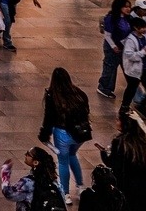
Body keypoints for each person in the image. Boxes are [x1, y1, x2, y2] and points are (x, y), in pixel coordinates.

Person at [39, 67, 90, 201]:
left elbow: (49, 118)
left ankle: (65, 193)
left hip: (63, 133)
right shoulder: (79, 93)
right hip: (80, 134)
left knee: (63, 162)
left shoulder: (53, 95)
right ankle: (80, 186)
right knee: (73, 155)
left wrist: (44, 134)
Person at [95, 109, 146, 211]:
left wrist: (103, 154)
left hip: (125, 188)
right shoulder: (144, 142)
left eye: (118, 120)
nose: (116, 122)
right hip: (144, 189)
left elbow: (114, 164)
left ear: (124, 123)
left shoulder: (120, 142)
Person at [0, 146, 64, 211]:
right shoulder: (54, 182)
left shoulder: (28, 183)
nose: (25, 155)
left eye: (28, 154)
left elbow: (9, 194)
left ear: (35, 162)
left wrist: (5, 174)